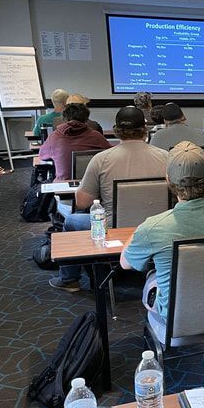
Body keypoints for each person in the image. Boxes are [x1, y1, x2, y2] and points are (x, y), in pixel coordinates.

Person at [120, 142, 204, 341]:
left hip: (176, 320)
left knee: (152, 278)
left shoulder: (153, 228)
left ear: (168, 180)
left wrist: (140, 229)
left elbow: (125, 263)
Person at [49, 107, 168, 292]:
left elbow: (82, 203)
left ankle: (69, 279)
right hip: (158, 229)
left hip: (113, 231)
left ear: (117, 130)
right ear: (145, 130)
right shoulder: (166, 157)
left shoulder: (101, 159)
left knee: (72, 220)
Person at [38, 103, 111, 181]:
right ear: (86, 119)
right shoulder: (96, 136)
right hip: (91, 185)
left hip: (63, 186)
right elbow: (111, 154)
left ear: (63, 119)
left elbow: (42, 156)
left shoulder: (55, 137)